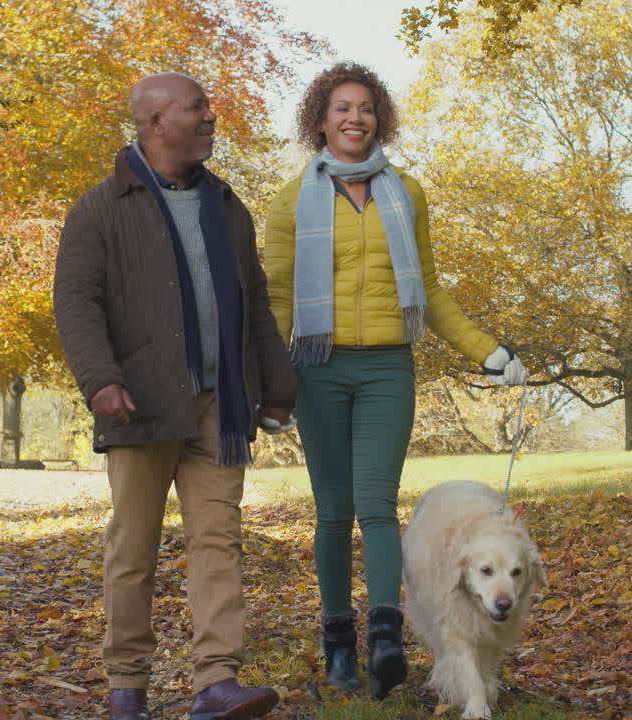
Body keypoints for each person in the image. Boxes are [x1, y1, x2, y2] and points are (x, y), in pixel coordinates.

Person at [262, 62, 528, 700]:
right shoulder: (288, 200)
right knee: (333, 512)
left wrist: (488, 351)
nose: (355, 119)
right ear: (319, 120)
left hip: (387, 367)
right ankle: (338, 648)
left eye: (366, 109)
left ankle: (384, 639)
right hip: (317, 368)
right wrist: (267, 379)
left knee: (378, 506)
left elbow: (429, 289)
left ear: (378, 118)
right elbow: (275, 297)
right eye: (341, 109)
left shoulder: (405, 191)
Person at [54, 72, 297, 720]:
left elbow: (257, 304)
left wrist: (276, 386)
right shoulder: (102, 208)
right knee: (133, 551)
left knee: (219, 541)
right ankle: (127, 688)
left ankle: (216, 681)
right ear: (155, 122)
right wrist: (101, 378)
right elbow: (77, 302)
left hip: (224, 403)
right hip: (141, 401)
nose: (211, 117)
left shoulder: (227, 207)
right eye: (198, 108)